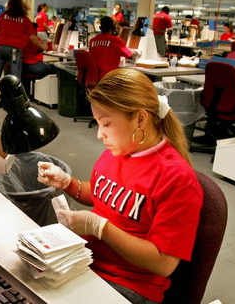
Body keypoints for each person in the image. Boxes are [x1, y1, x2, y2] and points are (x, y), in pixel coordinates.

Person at [37, 68, 203, 304]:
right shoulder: (118, 152)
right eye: (97, 124)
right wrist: (67, 183)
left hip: (129, 285)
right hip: (87, 262)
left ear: (140, 119)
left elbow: (164, 263)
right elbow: (100, 196)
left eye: (106, 124)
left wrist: (100, 227)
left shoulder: (176, 179)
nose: (100, 135)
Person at [0, 0, 47, 101]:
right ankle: (14, 101)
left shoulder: (3, 16)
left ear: (9, 5)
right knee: (15, 78)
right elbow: (33, 37)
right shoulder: (24, 19)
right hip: (14, 50)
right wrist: (43, 46)